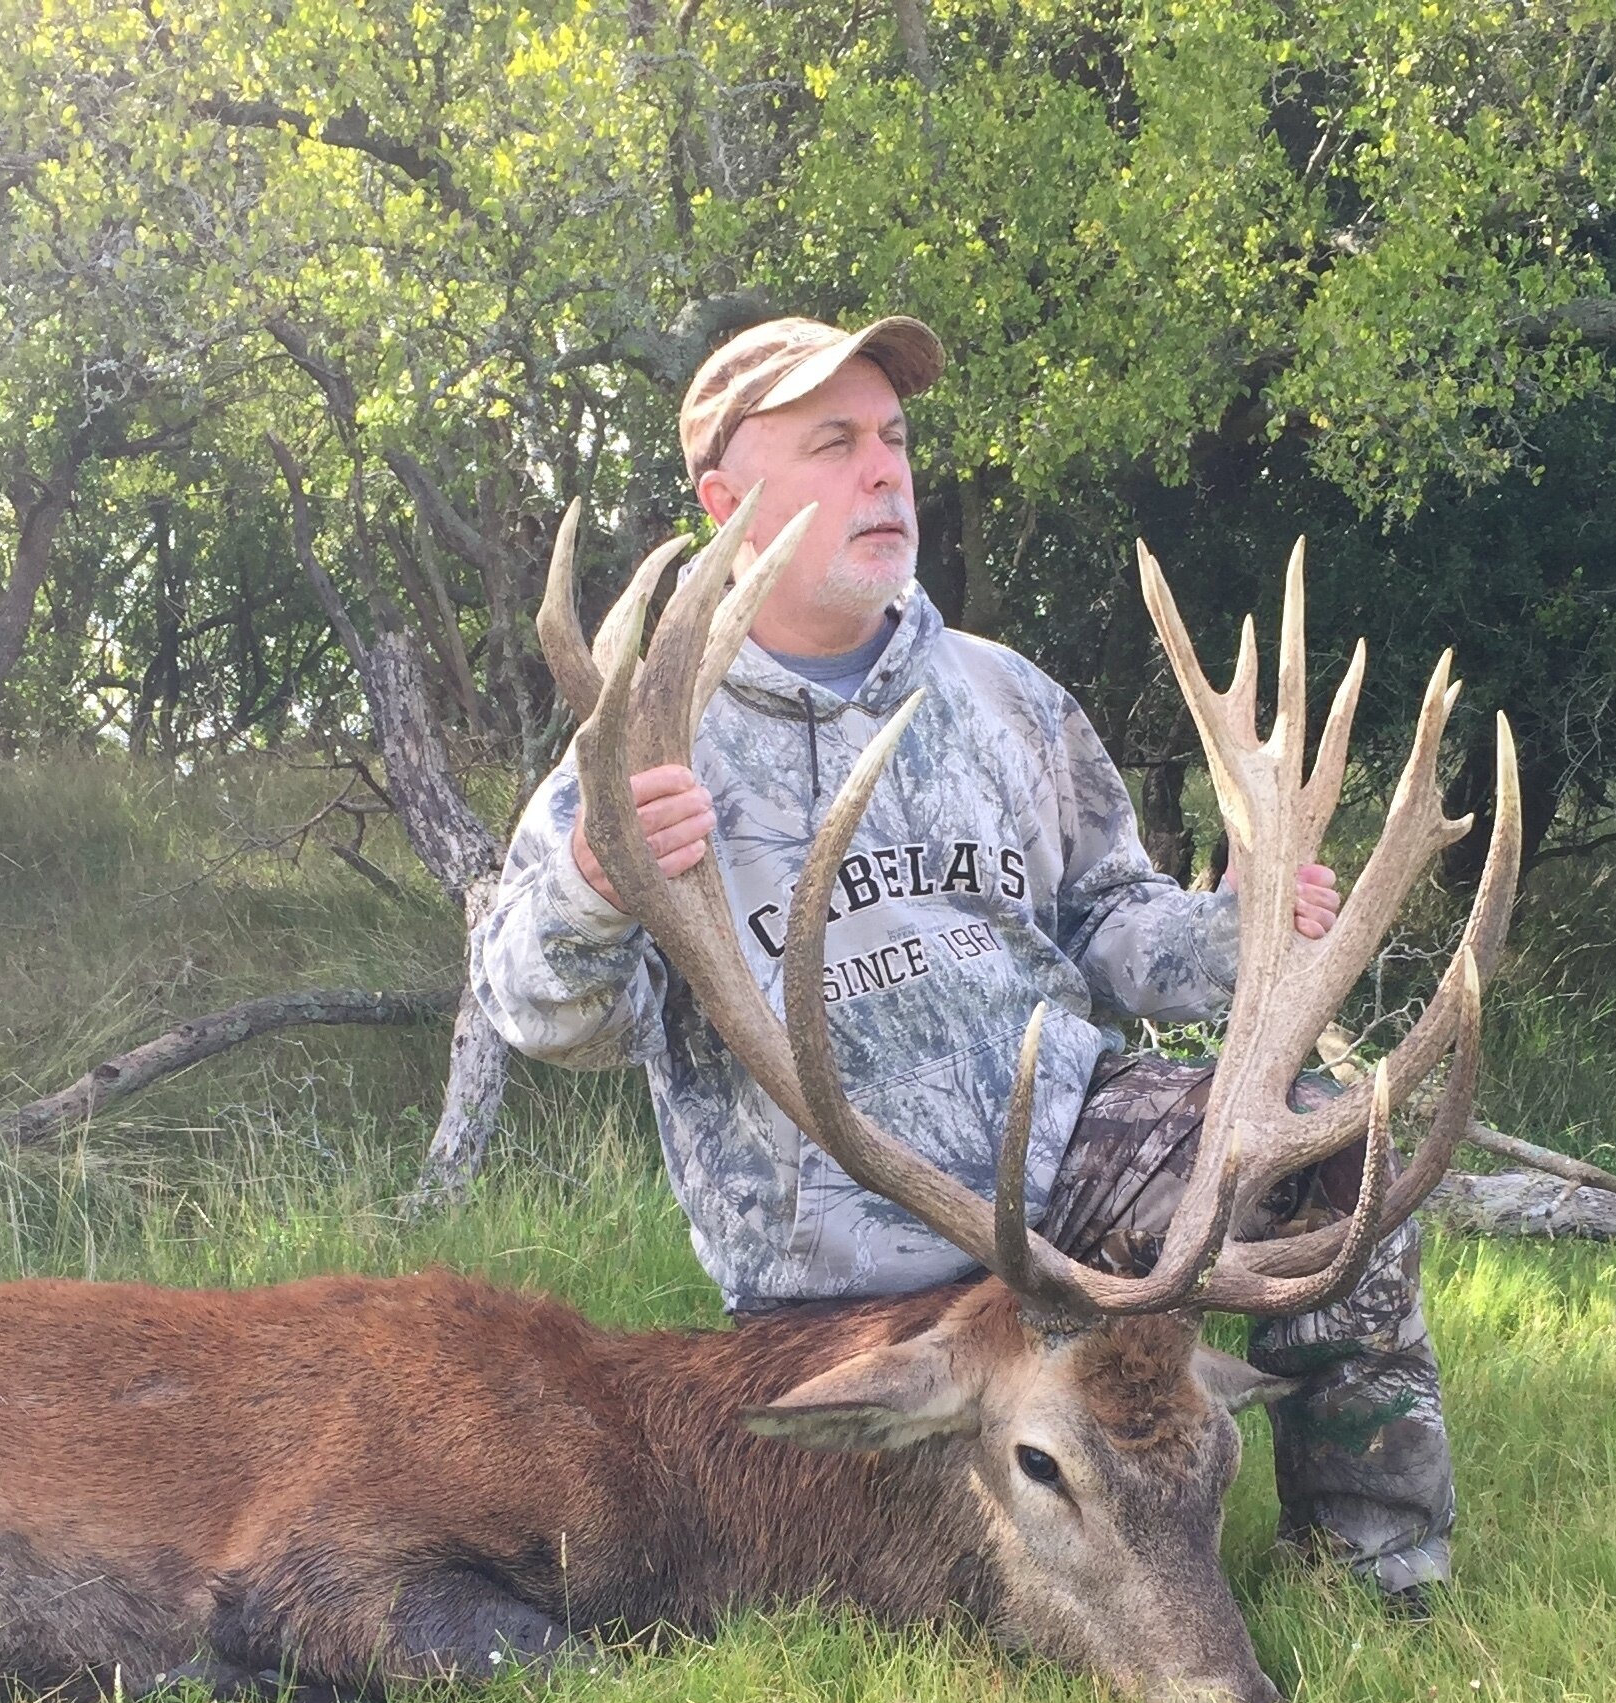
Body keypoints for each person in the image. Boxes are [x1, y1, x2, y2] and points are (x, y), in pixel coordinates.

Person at [469, 313, 1455, 1600]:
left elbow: (1108, 919)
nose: (885, 471)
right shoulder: (650, 742)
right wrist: (595, 885)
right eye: (834, 444)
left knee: (1338, 1153)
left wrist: (1238, 935)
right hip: (838, 1275)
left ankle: (1371, 1566)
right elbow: (545, 1017)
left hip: (1075, 1184)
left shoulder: (1005, 697)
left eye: (892, 439)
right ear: (725, 502)